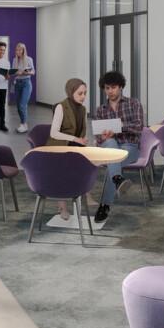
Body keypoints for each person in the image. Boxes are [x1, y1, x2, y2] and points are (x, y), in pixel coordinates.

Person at [92, 70, 144, 223]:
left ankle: (105, 204)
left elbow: (140, 127)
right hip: (110, 145)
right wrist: (102, 137)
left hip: (130, 147)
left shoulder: (133, 103)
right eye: (107, 88)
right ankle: (118, 180)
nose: (110, 91)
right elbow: (97, 137)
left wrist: (122, 125)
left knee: (111, 160)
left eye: (113, 87)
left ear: (120, 87)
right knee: (110, 143)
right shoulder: (101, 110)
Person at [49, 78, 101, 221]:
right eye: (80, 93)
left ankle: (85, 193)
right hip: (58, 145)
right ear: (71, 92)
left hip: (73, 145)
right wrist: (75, 140)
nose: (83, 97)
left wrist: (80, 140)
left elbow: (79, 132)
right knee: (66, 168)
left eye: (85, 93)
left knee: (85, 161)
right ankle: (63, 205)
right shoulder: (61, 107)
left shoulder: (83, 109)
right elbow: (53, 133)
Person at [10, 43, 35, 132]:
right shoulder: (14, 60)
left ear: (23, 50)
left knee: (22, 105)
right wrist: (21, 73)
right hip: (18, 84)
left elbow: (33, 72)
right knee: (18, 106)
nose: (18, 52)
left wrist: (27, 72)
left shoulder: (29, 59)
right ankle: (23, 124)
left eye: (20, 50)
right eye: (17, 50)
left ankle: (23, 124)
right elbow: (13, 72)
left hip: (26, 83)